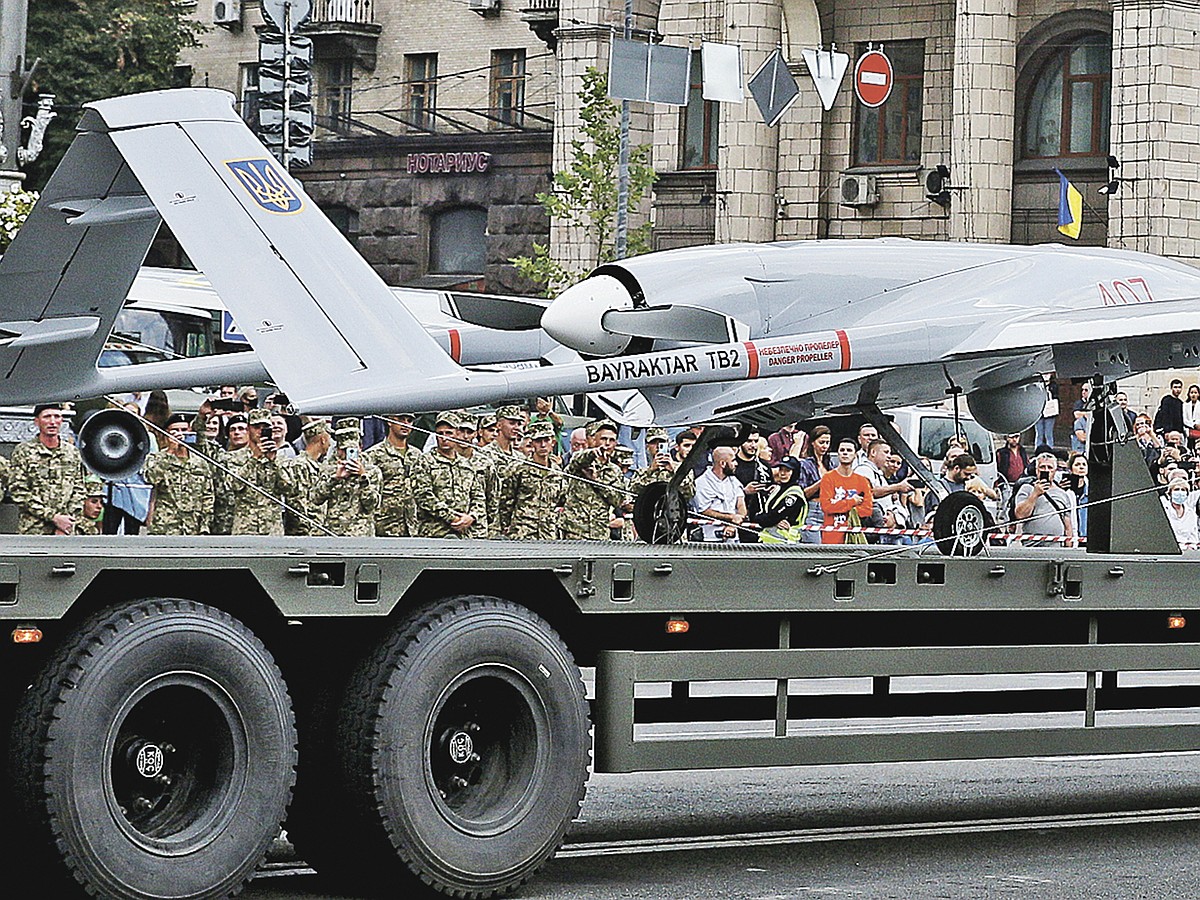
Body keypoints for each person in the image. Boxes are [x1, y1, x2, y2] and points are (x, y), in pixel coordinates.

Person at [9, 403, 85, 535]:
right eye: (47, 417)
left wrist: (65, 521)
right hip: (34, 529)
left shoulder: (72, 453)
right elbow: (18, 491)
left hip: (66, 529)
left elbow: (79, 489)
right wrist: (53, 517)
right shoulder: (24, 452)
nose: (52, 422)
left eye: (57, 417)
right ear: (36, 422)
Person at [412, 411, 486, 538]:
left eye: (449, 433)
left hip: (465, 533)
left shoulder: (466, 464)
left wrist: (472, 516)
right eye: (440, 434)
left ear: (457, 434)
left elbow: (478, 497)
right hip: (434, 533)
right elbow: (423, 496)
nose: (444, 438)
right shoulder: (425, 462)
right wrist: (452, 517)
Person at [144, 413, 215, 535]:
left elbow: (208, 497)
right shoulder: (156, 458)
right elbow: (151, 477)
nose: (180, 434)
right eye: (175, 430)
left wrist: (205, 527)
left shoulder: (200, 462)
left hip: (192, 527)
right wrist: (170, 451)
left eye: (184, 430)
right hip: (165, 527)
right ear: (167, 434)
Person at [311, 418, 382, 537]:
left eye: (352, 450)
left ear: (360, 447)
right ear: (338, 450)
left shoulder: (372, 471)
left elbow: (372, 505)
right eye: (344, 450)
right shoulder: (328, 469)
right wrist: (334, 479)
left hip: (362, 534)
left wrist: (363, 478)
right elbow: (315, 499)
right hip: (334, 533)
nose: (347, 455)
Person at [231, 408, 296, 535]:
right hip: (246, 526)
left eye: (265, 427)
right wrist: (254, 458)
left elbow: (289, 488)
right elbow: (234, 485)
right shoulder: (235, 457)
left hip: (272, 528)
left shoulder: (280, 458)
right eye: (256, 427)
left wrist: (274, 461)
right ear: (249, 429)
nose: (260, 431)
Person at [500, 420, 564, 540]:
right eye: (538, 441)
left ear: (553, 443)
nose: (543, 445)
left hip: (548, 532)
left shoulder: (557, 472)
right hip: (522, 531)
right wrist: (505, 525)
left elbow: (561, 500)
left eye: (546, 440)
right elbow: (506, 500)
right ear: (532, 443)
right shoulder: (518, 468)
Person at [364, 413, 418, 537]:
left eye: (409, 421)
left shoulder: (417, 455)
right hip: (384, 525)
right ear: (389, 421)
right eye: (401, 419)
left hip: (412, 527)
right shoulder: (374, 454)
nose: (405, 424)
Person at [854, 439, 916, 544]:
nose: (889, 456)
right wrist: (897, 487)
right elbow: (870, 492)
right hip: (870, 526)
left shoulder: (878, 473)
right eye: (886, 452)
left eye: (890, 453)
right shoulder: (863, 470)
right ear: (873, 452)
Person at [560, 448, 625, 540]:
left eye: (611, 440)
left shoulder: (614, 471)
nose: (606, 444)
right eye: (603, 439)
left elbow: (617, 500)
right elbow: (575, 462)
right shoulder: (580, 462)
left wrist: (596, 482)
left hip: (600, 531)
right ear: (592, 439)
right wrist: (592, 454)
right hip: (575, 530)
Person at [818, 438, 873, 545]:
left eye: (849, 450)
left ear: (855, 455)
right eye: (842, 450)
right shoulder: (828, 478)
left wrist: (839, 506)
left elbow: (867, 510)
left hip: (854, 537)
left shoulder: (862, 481)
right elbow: (826, 506)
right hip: (832, 537)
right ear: (837, 453)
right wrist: (852, 502)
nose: (845, 453)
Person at [1012, 451, 1075, 541]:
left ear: (1055, 471)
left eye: (1049, 467)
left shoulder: (1062, 493)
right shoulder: (1026, 489)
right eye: (1042, 467)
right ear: (1037, 470)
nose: (1046, 470)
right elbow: (1020, 515)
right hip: (1033, 546)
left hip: (1057, 546)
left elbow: (1067, 524)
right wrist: (1034, 494)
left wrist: (1068, 545)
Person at [285, 419, 332, 535]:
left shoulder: (317, 465)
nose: (330, 444)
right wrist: (309, 530)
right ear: (323, 440)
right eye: (329, 440)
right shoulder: (300, 465)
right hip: (306, 533)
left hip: (318, 530)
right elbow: (298, 502)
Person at [692, 446, 748, 542]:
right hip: (710, 538)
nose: (736, 464)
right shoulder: (702, 482)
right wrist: (731, 517)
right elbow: (704, 510)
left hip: (733, 538)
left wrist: (733, 525)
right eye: (733, 460)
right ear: (722, 463)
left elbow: (741, 505)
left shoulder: (734, 481)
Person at [753, 457, 809, 543]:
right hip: (769, 541)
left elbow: (773, 517)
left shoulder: (794, 494)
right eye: (781, 470)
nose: (782, 473)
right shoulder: (777, 489)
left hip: (785, 542)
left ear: (795, 472)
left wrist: (759, 518)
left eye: (787, 471)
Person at [796, 425, 831, 544]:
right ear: (812, 443)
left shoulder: (830, 463)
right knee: (814, 546)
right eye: (821, 442)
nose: (825, 446)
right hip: (812, 509)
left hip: (829, 509)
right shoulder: (805, 464)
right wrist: (821, 483)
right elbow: (802, 493)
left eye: (827, 442)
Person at [1161, 473, 1200, 547]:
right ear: (1170, 493)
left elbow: (1194, 537)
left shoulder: (1191, 513)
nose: (1180, 492)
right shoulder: (1164, 510)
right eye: (1176, 489)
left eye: (1183, 490)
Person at [1063, 451, 1089, 539]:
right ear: (1070, 469)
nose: (1081, 467)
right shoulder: (1066, 492)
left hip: (1086, 536)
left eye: (1084, 464)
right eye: (1077, 465)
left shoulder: (1092, 491)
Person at [1035, 374, 1059, 449]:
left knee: (1048, 433)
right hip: (1039, 412)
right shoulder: (1038, 385)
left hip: (1050, 412)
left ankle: (1050, 449)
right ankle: (1038, 449)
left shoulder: (1054, 385)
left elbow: (1055, 396)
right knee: (1039, 433)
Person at [1071, 382, 1092, 453]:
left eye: (1086, 390)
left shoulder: (1092, 403)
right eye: (1082, 390)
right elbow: (1076, 414)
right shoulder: (1079, 403)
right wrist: (1088, 414)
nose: (1083, 392)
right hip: (1079, 432)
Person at [1184, 385, 1200, 450]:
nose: (1193, 395)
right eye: (1192, 392)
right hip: (1188, 429)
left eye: (1195, 393)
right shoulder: (1185, 405)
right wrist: (1193, 425)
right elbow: (1184, 419)